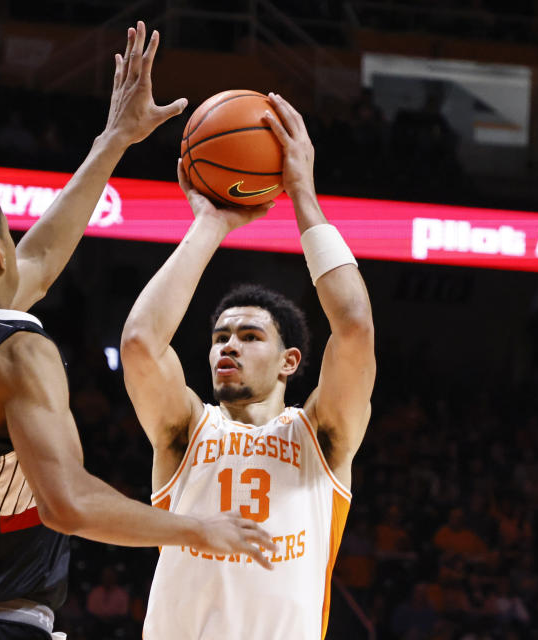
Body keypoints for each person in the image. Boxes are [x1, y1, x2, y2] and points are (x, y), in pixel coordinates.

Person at [0, 22, 274, 640]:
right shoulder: (17, 354)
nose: (21, 246)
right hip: (0, 627)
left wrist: (114, 140)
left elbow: (44, 261)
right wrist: (198, 528)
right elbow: (68, 504)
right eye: (10, 235)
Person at [121, 92, 376, 639]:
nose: (227, 347)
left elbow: (354, 326)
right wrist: (210, 225)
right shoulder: (187, 429)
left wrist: (303, 192)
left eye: (248, 335)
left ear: (290, 361)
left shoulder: (321, 438)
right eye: (219, 337)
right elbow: (141, 342)